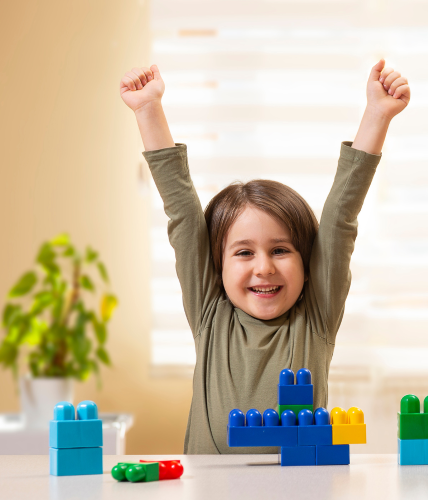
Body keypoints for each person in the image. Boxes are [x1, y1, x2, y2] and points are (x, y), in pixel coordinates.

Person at [119, 60, 410, 454]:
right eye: (243, 252)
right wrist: (147, 108)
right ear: (216, 266)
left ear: (309, 265)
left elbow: (340, 218)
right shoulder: (210, 314)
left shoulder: (316, 318)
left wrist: (376, 114)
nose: (264, 267)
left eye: (281, 250)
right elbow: (183, 215)